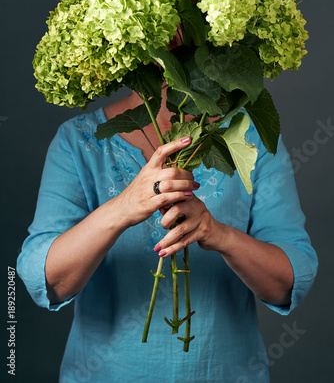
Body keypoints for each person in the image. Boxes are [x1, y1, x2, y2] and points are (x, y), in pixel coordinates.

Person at [17, 42, 318, 382]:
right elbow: (46, 280)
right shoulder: (78, 141)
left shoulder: (249, 137)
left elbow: (289, 281)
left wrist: (218, 235)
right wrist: (123, 208)